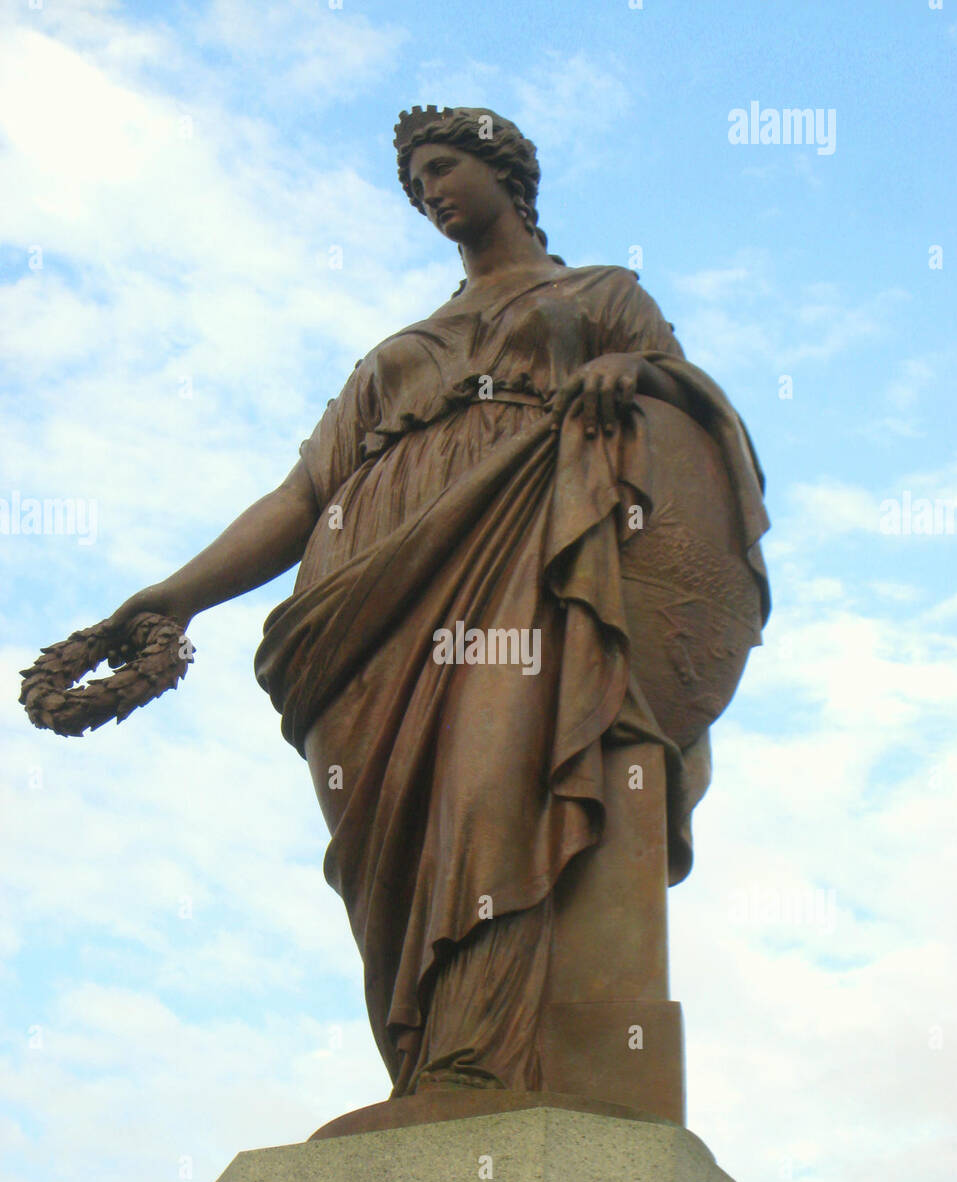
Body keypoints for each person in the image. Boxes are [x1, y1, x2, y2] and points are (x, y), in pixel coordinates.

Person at [110, 106, 770, 1107]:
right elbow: (299, 498)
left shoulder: (599, 293)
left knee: (495, 783)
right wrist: (177, 593)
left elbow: (689, 405)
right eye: (417, 185)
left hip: (526, 558)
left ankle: (486, 1060)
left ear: (508, 172)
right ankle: (424, 1064)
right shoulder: (394, 352)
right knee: (388, 840)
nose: (431, 195)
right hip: (370, 605)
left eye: (444, 168)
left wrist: (626, 370)